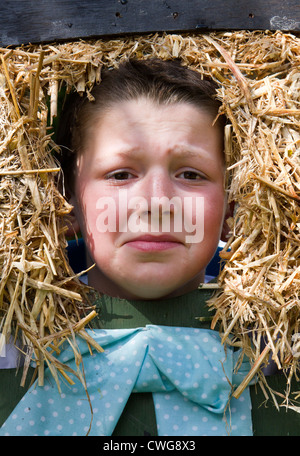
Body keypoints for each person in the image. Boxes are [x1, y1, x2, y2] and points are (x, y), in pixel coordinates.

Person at [0, 59, 299, 436]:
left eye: (190, 174)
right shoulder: (9, 344)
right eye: (121, 174)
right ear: (65, 200)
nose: (157, 203)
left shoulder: (279, 346)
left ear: (233, 205)